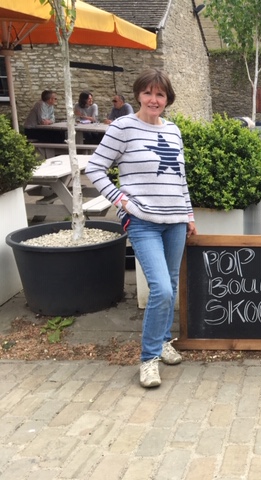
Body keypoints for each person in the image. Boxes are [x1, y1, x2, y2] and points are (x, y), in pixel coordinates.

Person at [85, 68, 197, 388]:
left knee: (170, 285)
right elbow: (95, 168)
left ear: (167, 99)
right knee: (161, 289)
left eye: (160, 94)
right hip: (143, 221)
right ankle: (148, 359)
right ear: (138, 95)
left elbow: (180, 178)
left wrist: (188, 215)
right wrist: (120, 200)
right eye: (148, 93)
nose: (153, 99)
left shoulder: (173, 131)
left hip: (175, 221)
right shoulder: (123, 127)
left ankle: (162, 342)